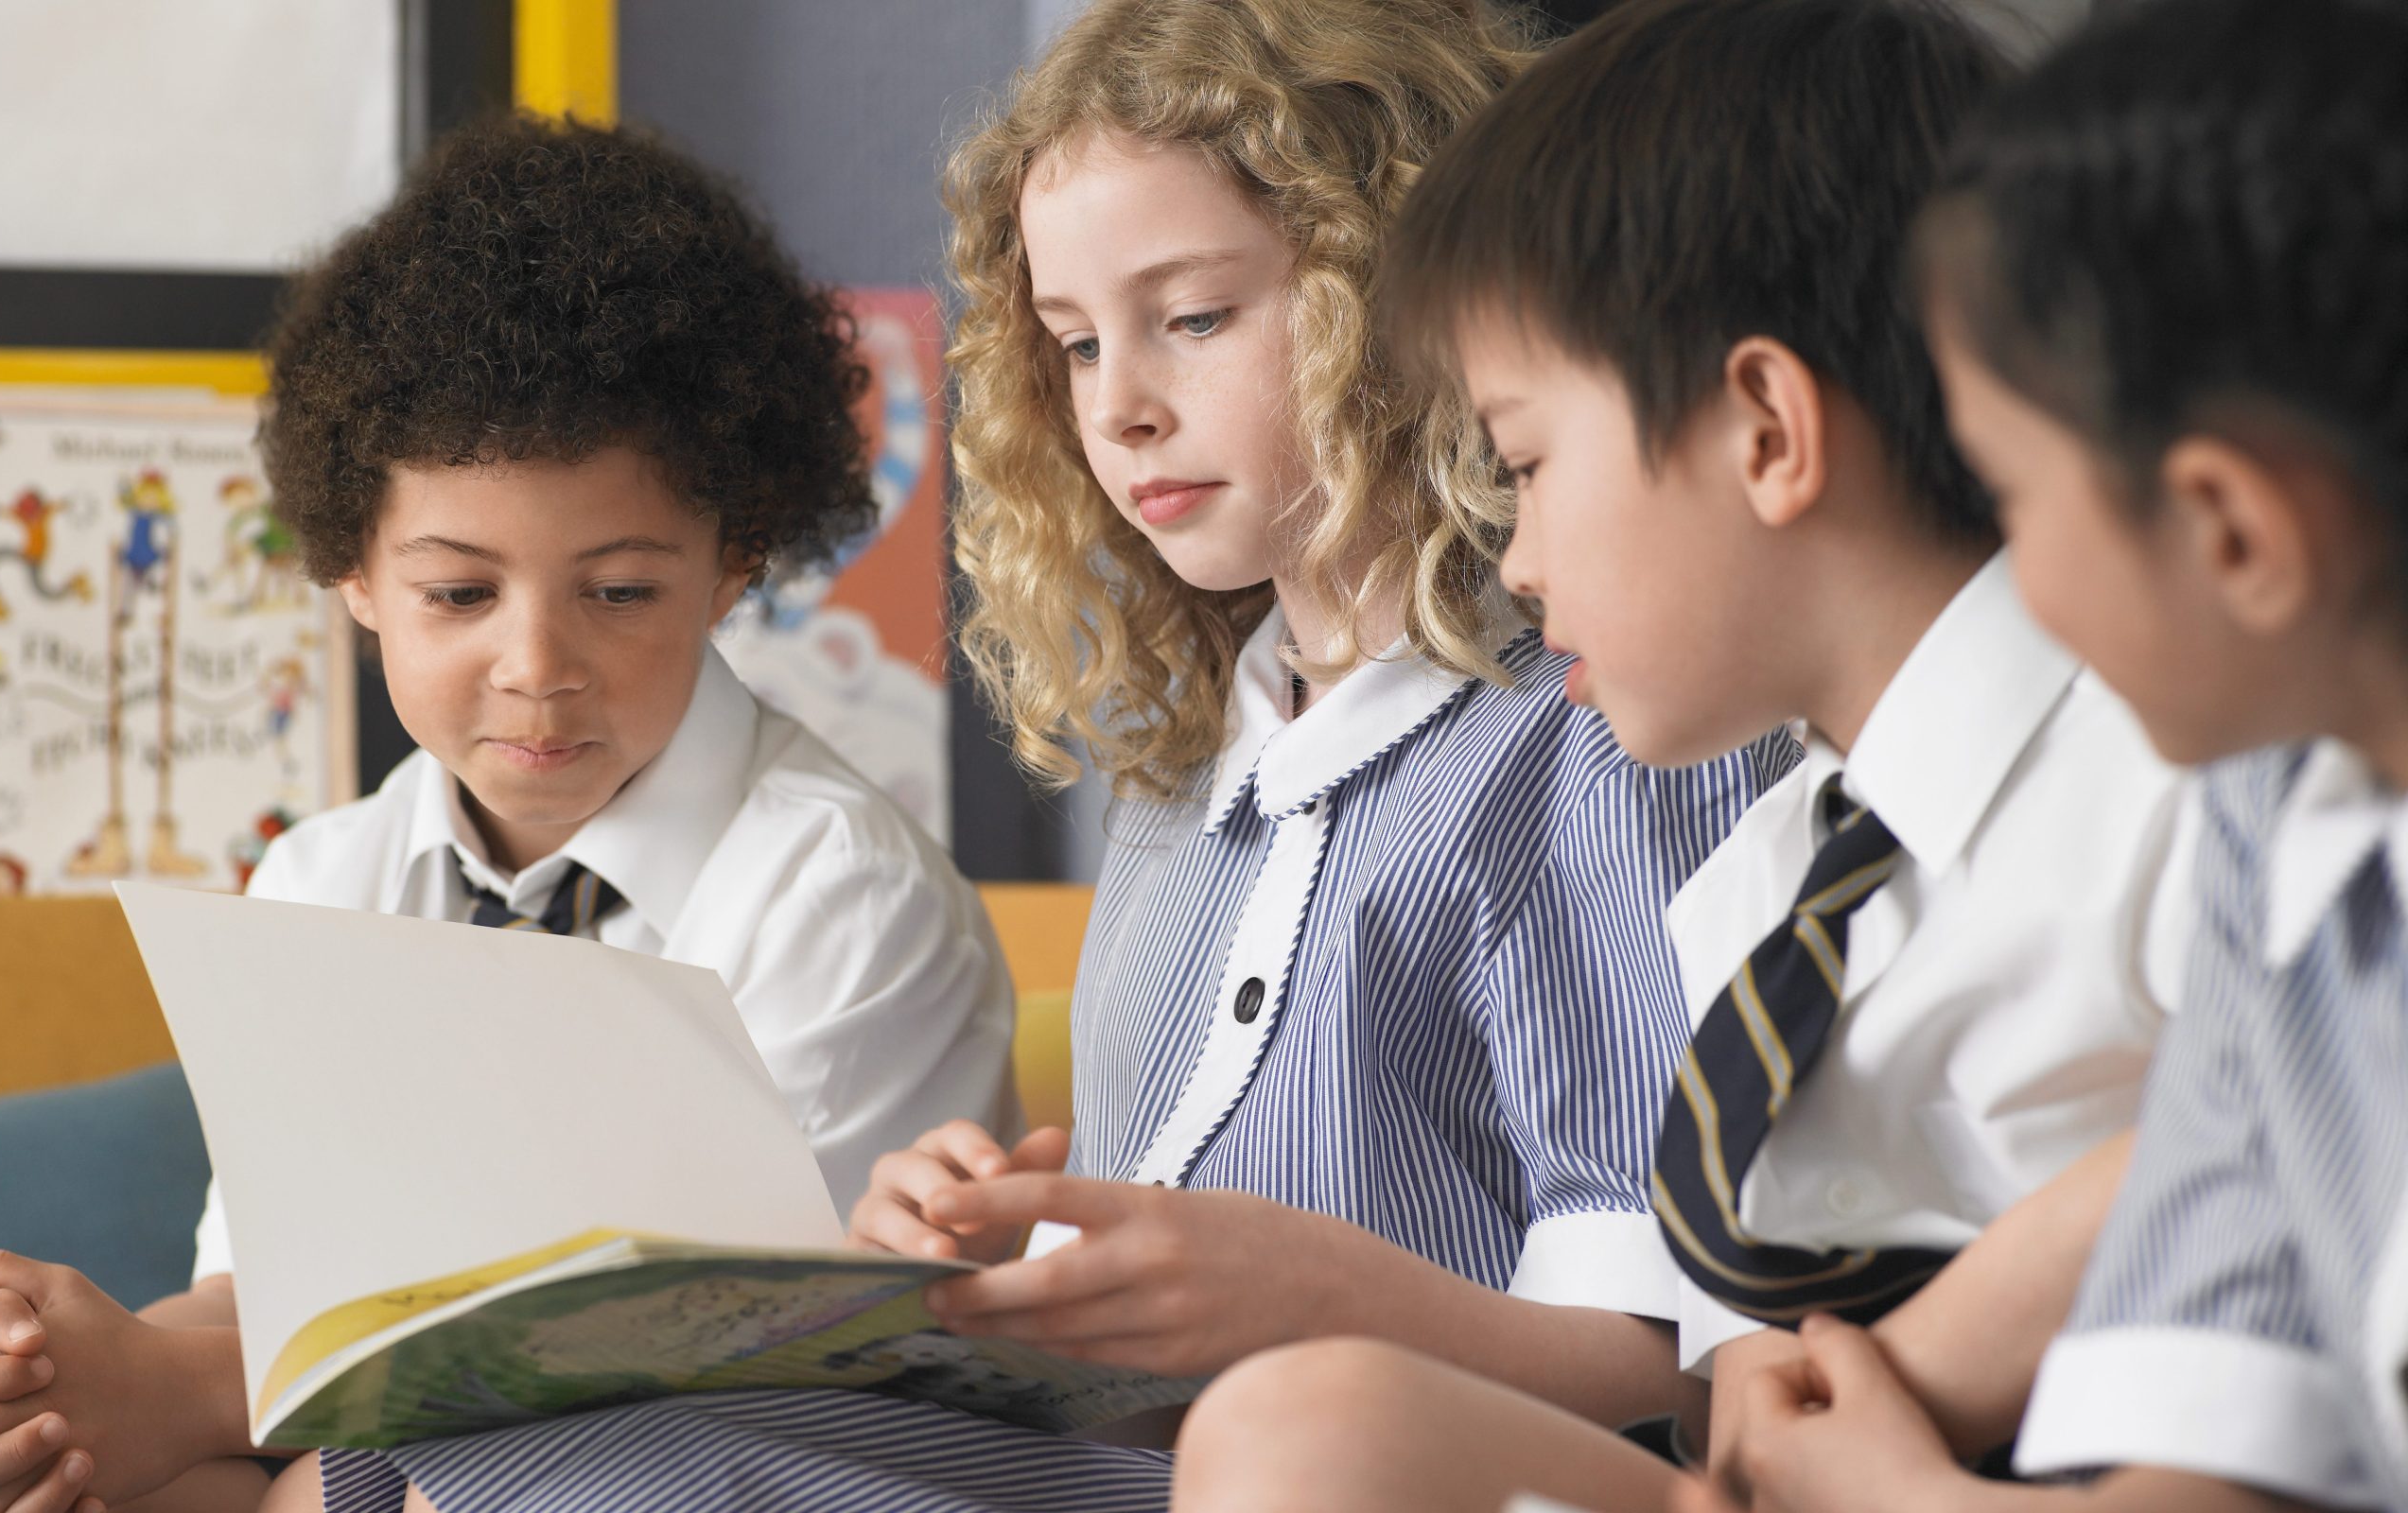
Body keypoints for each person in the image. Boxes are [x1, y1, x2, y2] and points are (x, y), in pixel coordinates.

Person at [256, 3, 1784, 1509]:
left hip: (1402, 1474)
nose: (1119, 405)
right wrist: (994, 1262)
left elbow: (1676, 1365)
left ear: (1402, 291)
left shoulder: (1604, 733)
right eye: (1070, 342)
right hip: (1126, 1468)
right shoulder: (1190, 782)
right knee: (494, 1439)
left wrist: (1307, 1296)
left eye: (1193, 317)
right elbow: (1130, 1298)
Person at [1169, 4, 2191, 1508]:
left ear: (1768, 430)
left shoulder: (2169, 766)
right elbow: (1737, 1432)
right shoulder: (1762, 886)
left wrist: (1922, 1398)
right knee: (1305, 1430)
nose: (1514, 563)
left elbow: (2313, 1138)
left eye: (1525, 465)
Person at [0, 114, 1015, 1513]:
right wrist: (56, 1373)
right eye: (461, 594)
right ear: (352, 571)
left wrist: (174, 1394)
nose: (537, 665)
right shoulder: (317, 885)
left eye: (623, 590)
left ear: (734, 566)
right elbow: (251, 1297)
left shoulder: (840, 897)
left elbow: (680, 1362)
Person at [1711, 2, 2408, 1508]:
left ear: (2232, 531)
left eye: (2015, 502)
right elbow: (2222, 1438)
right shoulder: (2276, 814)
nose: (2011, 592)